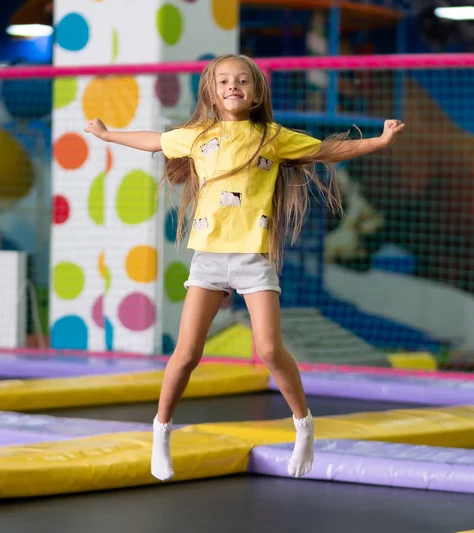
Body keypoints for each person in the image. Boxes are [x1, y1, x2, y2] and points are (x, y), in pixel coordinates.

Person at [85, 54, 404, 482]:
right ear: (212, 93)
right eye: (224, 81)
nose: (233, 86)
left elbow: (327, 150)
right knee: (185, 355)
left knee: (270, 351)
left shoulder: (271, 137)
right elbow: (153, 140)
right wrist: (107, 136)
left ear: (255, 93)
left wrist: (377, 143)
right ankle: (161, 430)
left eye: (242, 81)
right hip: (209, 260)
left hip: (253, 259)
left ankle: (303, 425)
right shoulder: (197, 136)